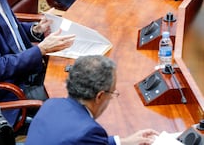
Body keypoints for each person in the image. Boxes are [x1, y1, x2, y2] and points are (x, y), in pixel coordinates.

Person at [25, 55, 159, 145]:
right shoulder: (87, 131)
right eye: (112, 93)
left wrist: (122, 142)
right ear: (99, 96)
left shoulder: (51, 104)